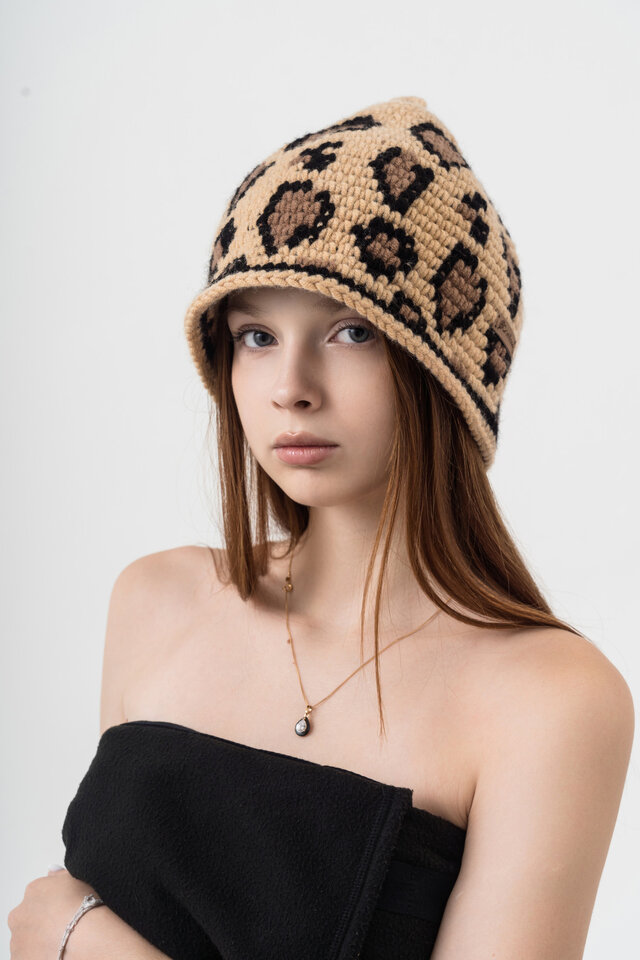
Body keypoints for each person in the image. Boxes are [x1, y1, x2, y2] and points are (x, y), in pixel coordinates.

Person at [9, 96, 634, 960]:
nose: (290, 388)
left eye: (348, 332)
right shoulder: (156, 601)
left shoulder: (550, 700)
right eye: (256, 336)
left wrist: (80, 939)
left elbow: (71, 928)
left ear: (444, 371)